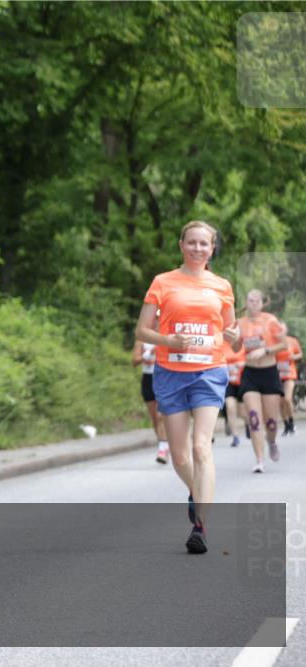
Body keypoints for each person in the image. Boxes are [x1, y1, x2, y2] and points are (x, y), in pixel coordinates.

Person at [135, 220, 239, 555]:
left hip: (209, 371)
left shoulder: (222, 285)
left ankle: (201, 526)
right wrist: (167, 339)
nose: (197, 248)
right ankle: (198, 492)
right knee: (179, 455)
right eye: (191, 242)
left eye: (204, 244)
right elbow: (141, 331)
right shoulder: (163, 282)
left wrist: (234, 336)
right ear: (181, 245)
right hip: (170, 372)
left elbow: (230, 330)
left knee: (200, 447)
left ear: (212, 249)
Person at [232, 290, 287, 472]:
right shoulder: (240, 323)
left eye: (257, 300)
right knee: (254, 419)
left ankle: (271, 441)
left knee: (271, 422)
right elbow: (236, 347)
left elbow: (283, 344)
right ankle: (260, 461)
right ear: (246, 302)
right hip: (250, 374)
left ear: (262, 303)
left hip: (269, 373)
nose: (254, 303)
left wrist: (266, 350)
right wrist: (233, 338)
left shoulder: (270, 320)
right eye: (250, 300)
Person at [131, 319, 169, 463]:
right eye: (154, 320)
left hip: (163, 378)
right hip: (147, 378)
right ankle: (163, 443)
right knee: (154, 417)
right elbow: (134, 361)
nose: (156, 322)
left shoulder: (166, 337)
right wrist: (146, 355)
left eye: (158, 320)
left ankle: (163, 449)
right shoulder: (142, 340)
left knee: (160, 416)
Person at [276, 328, 302, 435]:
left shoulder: (292, 341)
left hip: (289, 374)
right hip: (277, 375)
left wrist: (294, 356)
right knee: (281, 403)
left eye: (282, 329)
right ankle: (286, 425)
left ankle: (291, 422)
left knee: (287, 399)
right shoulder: (273, 342)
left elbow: (300, 354)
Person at [222, 339, 246, 447]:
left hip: (243, 381)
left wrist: (243, 364)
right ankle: (235, 436)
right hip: (228, 382)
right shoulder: (221, 343)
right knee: (230, 407)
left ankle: (249, 424)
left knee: (242, 412)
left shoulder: (244, 342)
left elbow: (253, 359)